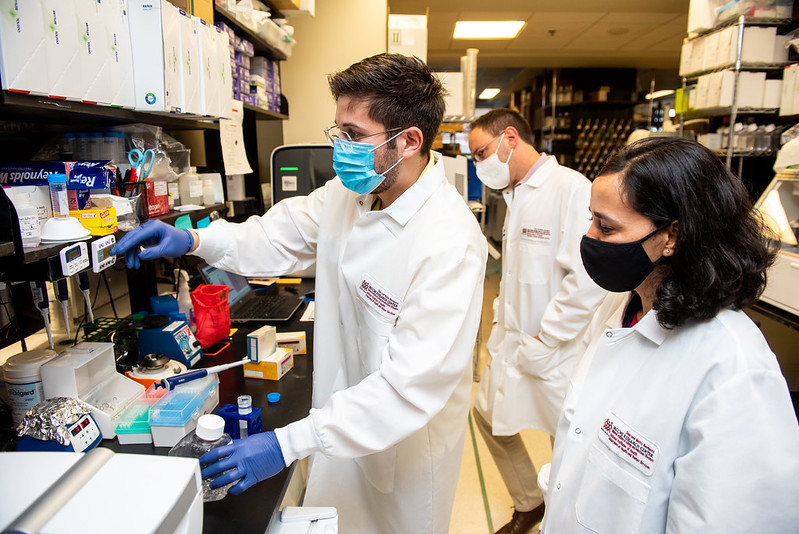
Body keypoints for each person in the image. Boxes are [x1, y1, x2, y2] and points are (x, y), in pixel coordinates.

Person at [112, 53, 488, 533]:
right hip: (337, 424)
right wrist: (196, 239)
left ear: (410, 140)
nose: (339, 148)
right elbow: (277, 236)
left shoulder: (448, 242)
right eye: (338, 132)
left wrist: (282, 445)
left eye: (353, 134)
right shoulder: (353, 194)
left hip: (400, 449)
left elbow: (406, 389)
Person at [539, 137, 799, 532]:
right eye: (591, 219)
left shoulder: (732, 369)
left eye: (606, 227)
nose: (589, 238)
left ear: (673, 236)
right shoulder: (622, 308)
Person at [467, 109, 607, 534]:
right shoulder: (517, 192)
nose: (478, 165)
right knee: (487, 416)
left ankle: (562, 522)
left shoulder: (571, 189)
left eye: (480, 153)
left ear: (510, 138)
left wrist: (549, 336)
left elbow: (589, 277)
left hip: (556, 348)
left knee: (563, 439)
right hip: (514, 342)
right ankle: (530, 501)